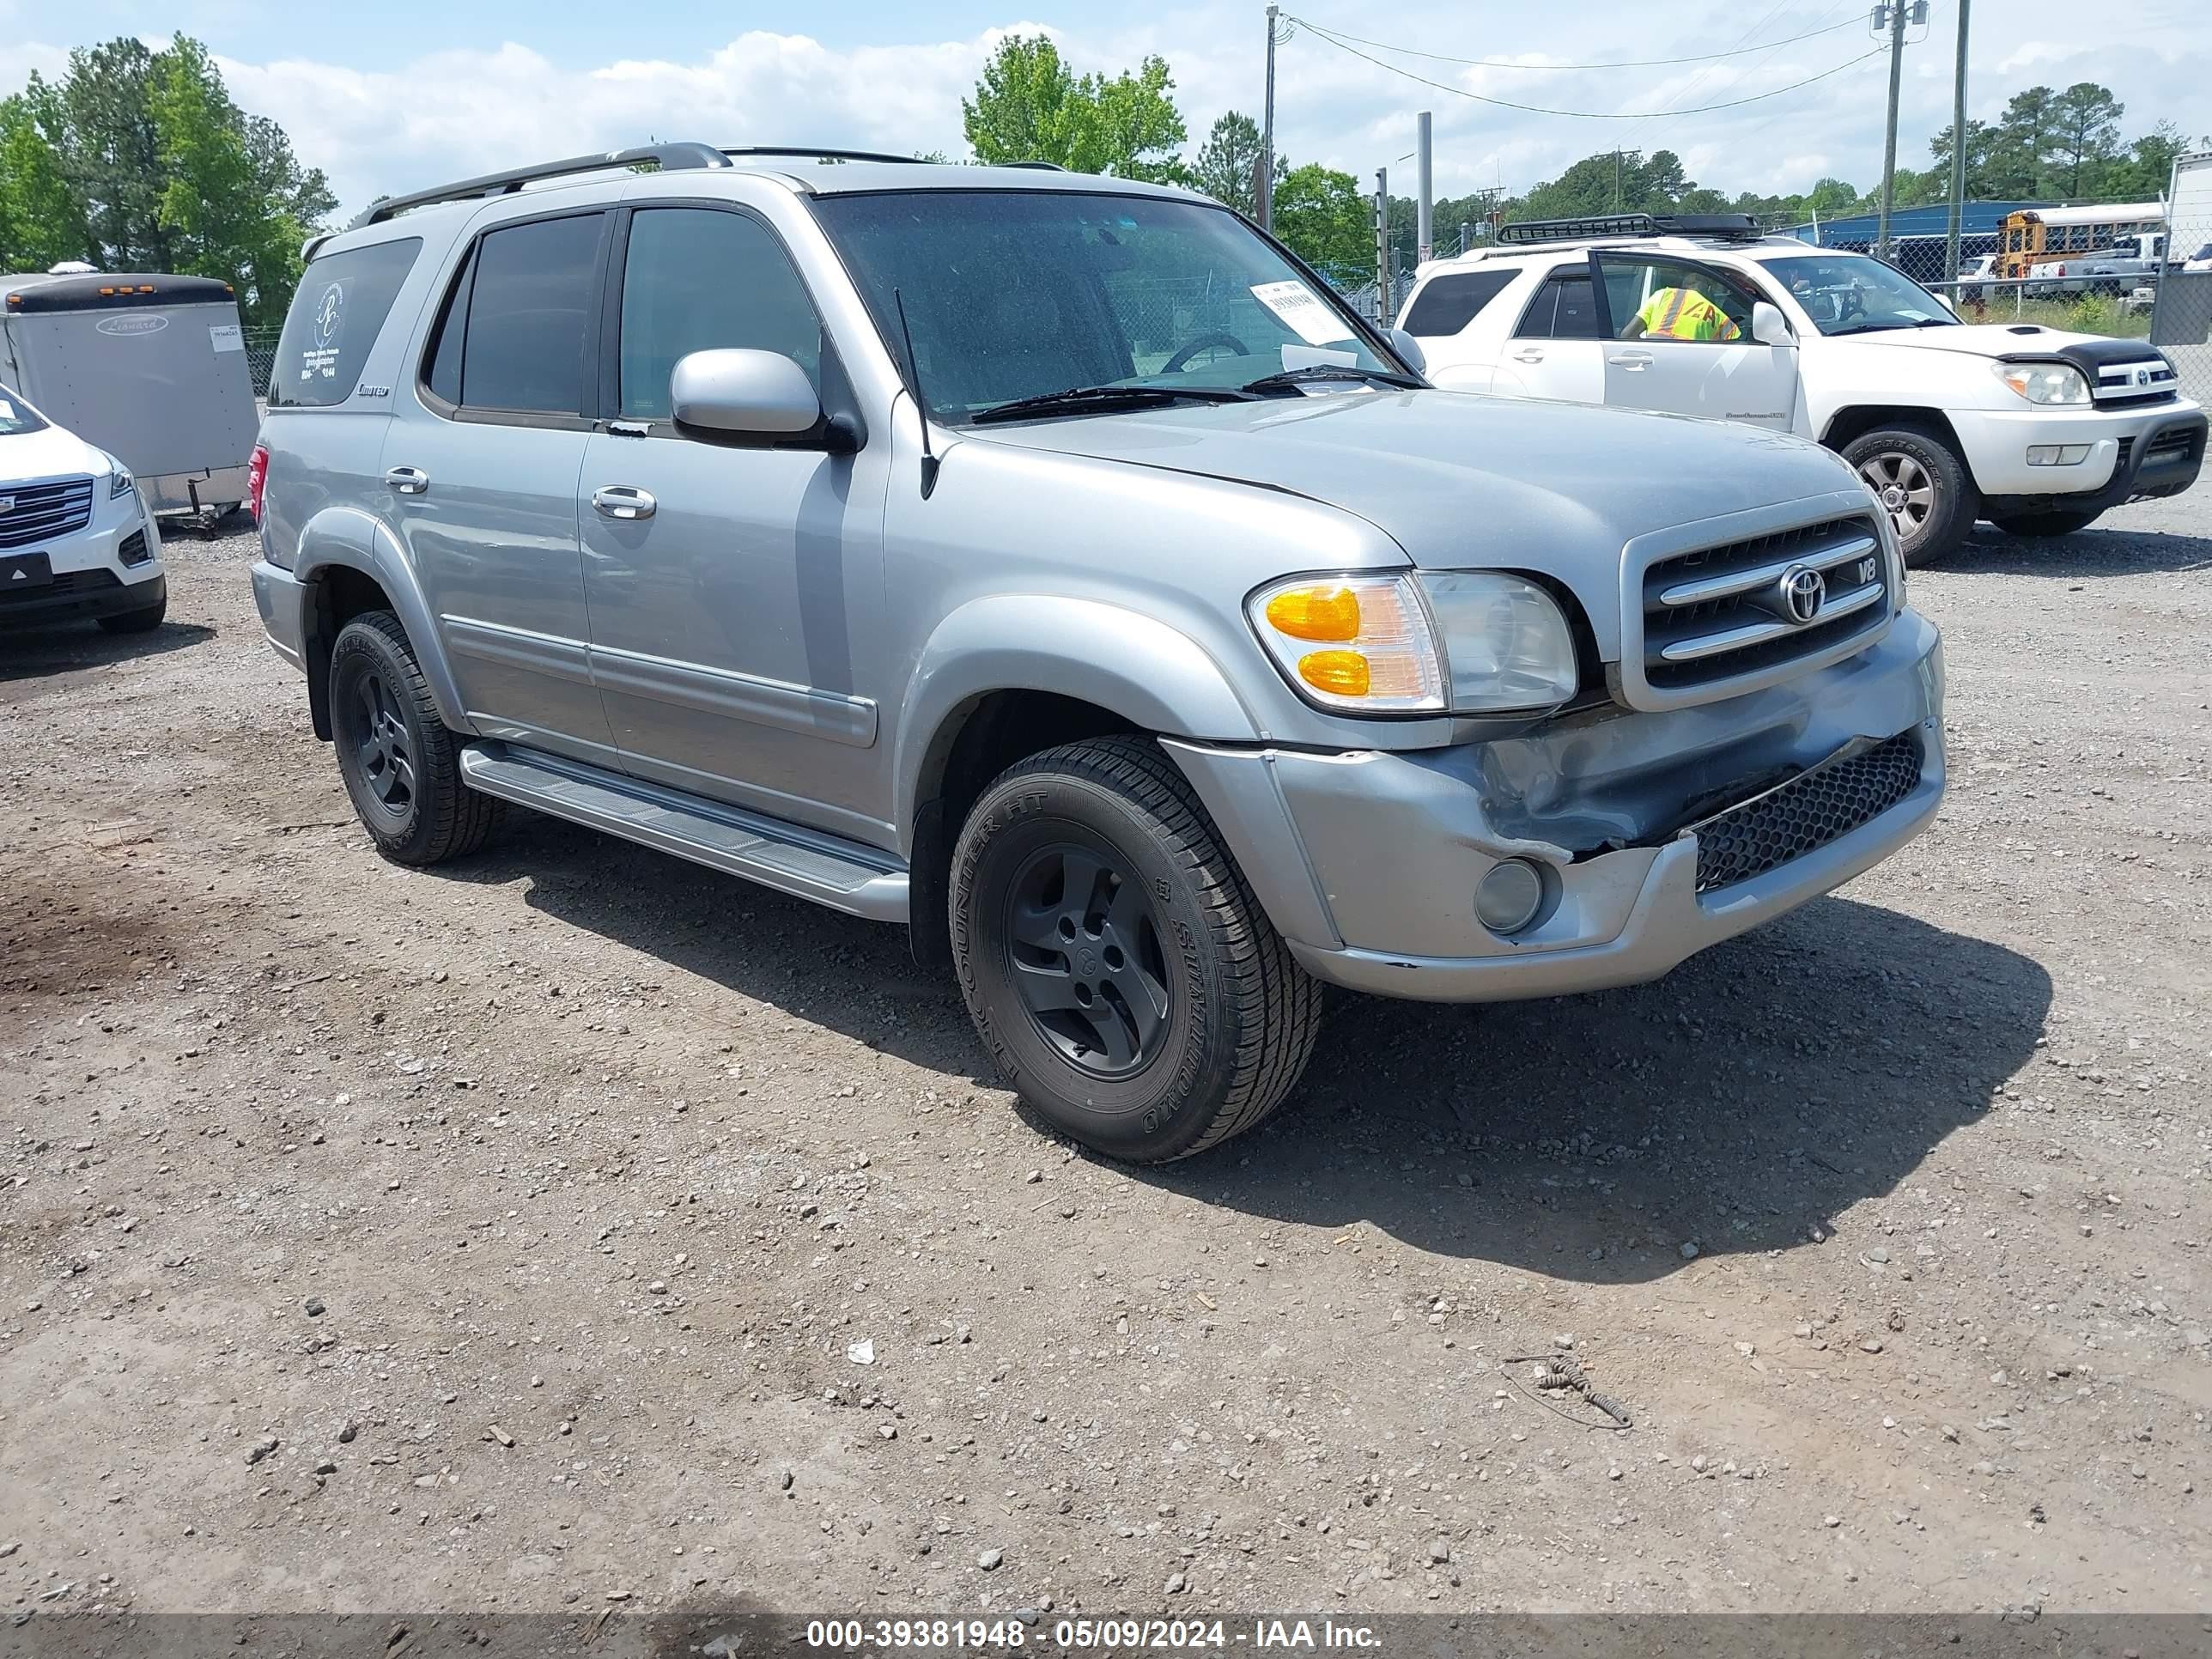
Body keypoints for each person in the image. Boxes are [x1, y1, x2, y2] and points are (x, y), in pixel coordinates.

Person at [1623, 278, 1742, 341]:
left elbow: (1627, 335)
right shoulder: (1720, 318)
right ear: (1710, 288)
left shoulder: (1663, 295)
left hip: (1654, 365)